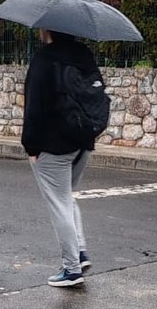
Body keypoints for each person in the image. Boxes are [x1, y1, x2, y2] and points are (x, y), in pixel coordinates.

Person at [21, 28, 100, 287]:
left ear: (48, 30)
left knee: (59, 203)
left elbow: (33, 107)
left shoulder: (44, 59)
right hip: (82, 141)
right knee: (66, 197)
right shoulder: (83, 54)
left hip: (52, 145)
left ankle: (71, 268)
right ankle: (80, 252)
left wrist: (30, 146)